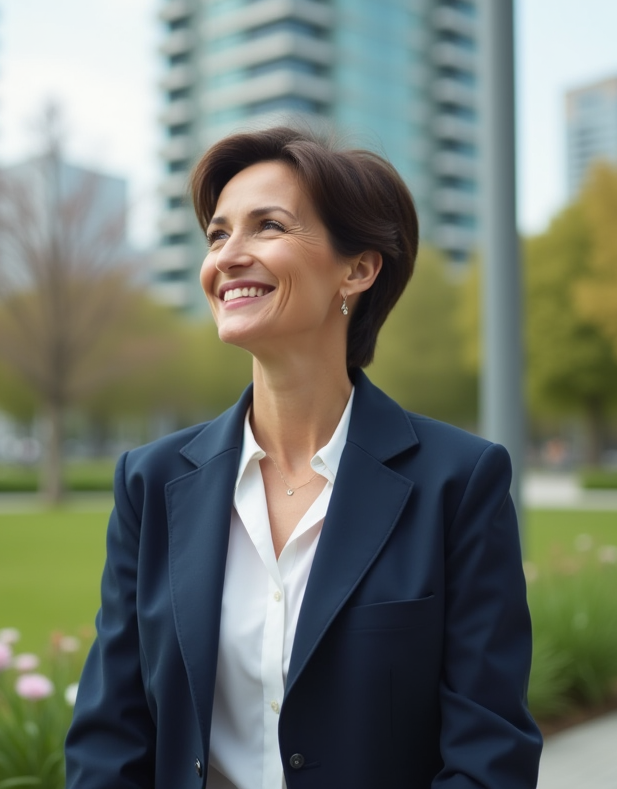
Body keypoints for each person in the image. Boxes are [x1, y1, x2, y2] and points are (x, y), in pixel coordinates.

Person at [64, 128, 541, 788]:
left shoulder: (457, 483)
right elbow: (108, 738)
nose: (229, 256)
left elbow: (489, 754)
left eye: (268, 226)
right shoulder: (151, 483)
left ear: (359, 269)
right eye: (217, 234)